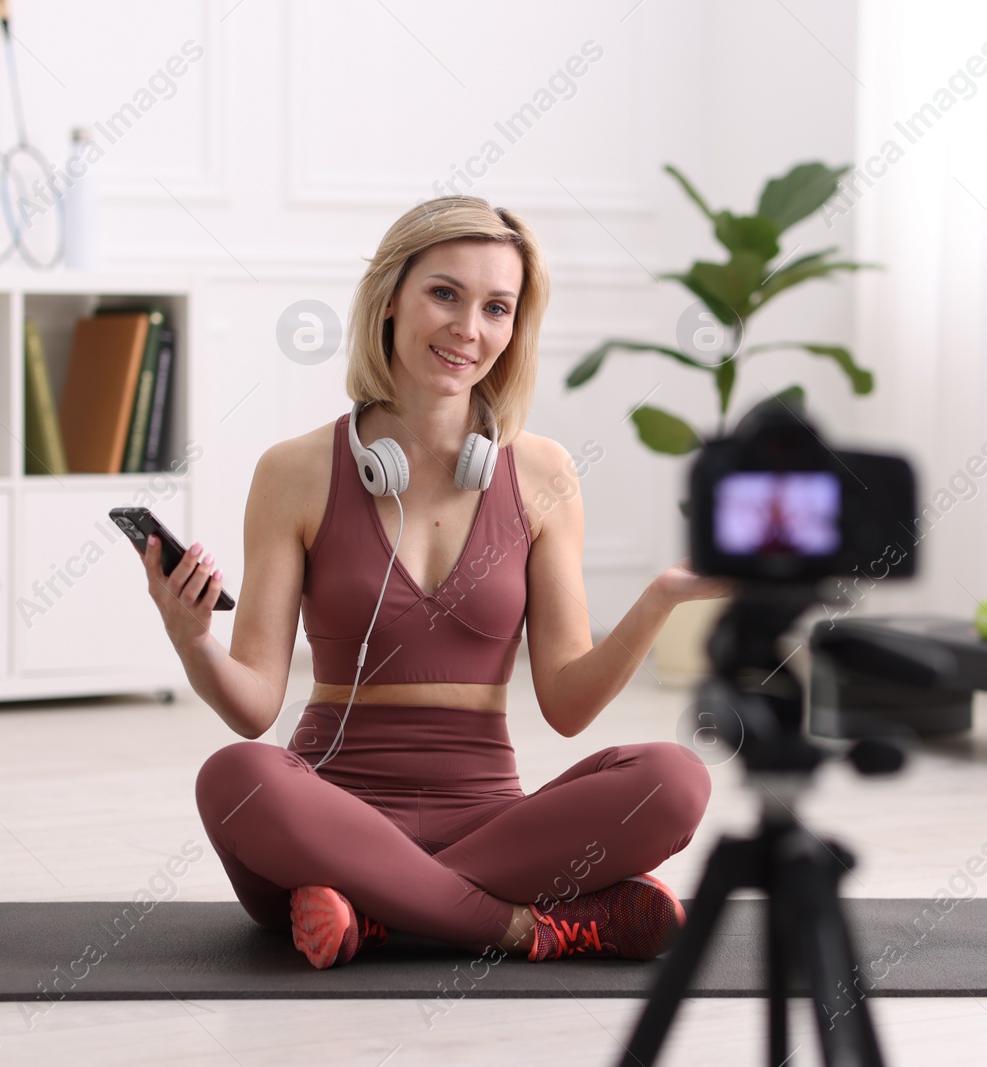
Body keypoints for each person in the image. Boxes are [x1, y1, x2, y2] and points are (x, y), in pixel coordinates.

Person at [137, 195, 731, 970]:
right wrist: (192, 642)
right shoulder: (295, 471)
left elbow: (568, 704)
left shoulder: (544, 473)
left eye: (496, 307)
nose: (468, 329)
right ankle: (532, 927)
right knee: (236, 777)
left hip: (490, 825)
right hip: (325, 820)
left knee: (675, 779)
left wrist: (660, 597)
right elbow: (253, 708)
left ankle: (378, 915)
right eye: (444, 293)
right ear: (389, 300)